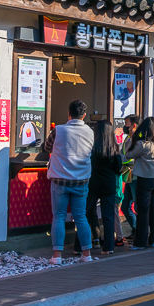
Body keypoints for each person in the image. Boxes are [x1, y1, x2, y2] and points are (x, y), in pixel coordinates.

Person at [46, 100, 95, 266]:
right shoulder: (90, 132)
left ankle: (57, 256)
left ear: (69, 113)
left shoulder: (58, 130)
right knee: (81, 217)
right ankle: (86, 254)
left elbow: (47, 147)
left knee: (58, 217)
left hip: (60, 180)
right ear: (84, 115)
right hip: (81, 181)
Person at [84, 119, 124, 256]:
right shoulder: (114, 149)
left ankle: (80, 246)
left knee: (85, 213)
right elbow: (118, 169)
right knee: (108, 217)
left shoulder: (92, 149)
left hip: (93, 184)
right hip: (109, 185)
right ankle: (108, 247)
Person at [127, 117, 154, 249]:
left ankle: (140, 242)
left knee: (143, 211)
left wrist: (132, 138)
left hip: (145, 179)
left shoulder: (143, 144)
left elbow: (128, 154)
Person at [118, 114, 139, 240]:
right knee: (125, 206)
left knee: (137, 206)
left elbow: (130, 156)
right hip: (128, 176)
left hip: (136, 175)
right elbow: (123, 153)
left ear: (134, 125)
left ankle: (141, 232)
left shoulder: (139, 139)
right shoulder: (127, 139)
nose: (125, 127)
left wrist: (122, 159)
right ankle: (136, 229)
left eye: (127, 124)